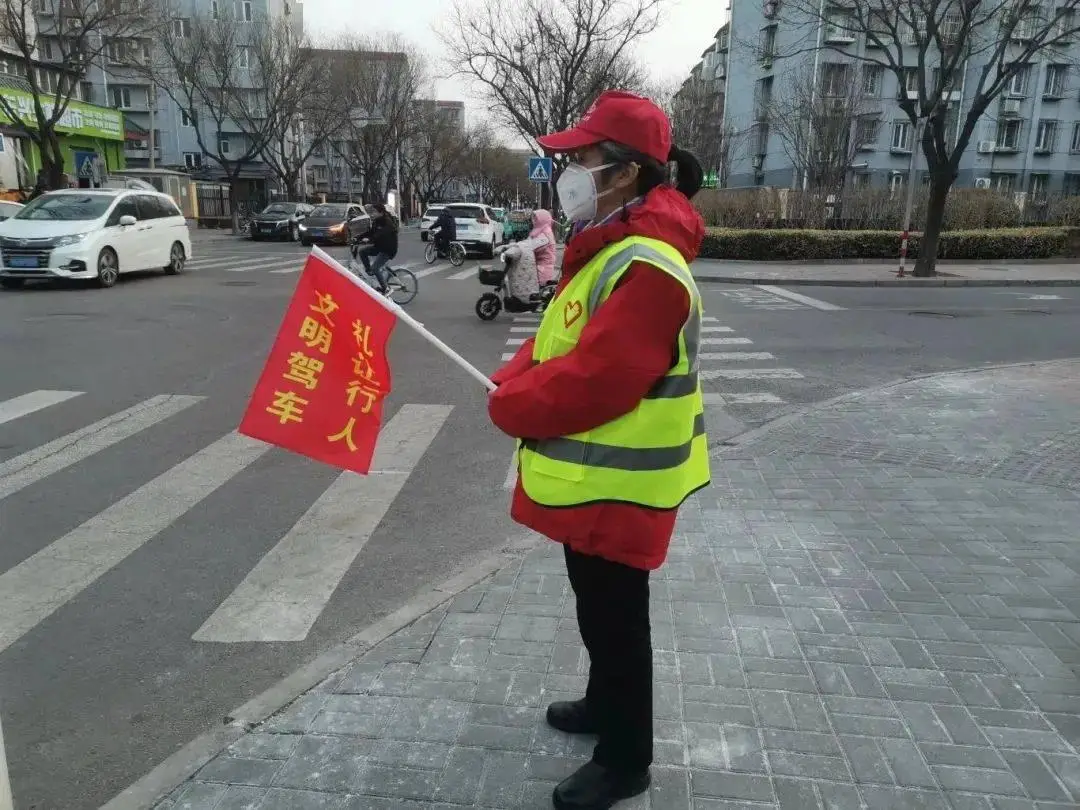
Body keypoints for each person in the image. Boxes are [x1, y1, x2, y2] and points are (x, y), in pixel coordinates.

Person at [486, 90, 709, 810]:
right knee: (596, 609)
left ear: (625, 172)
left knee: (618, 621)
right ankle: (601, 704)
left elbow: (603, 378)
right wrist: (512, 380)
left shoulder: (648, 263)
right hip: (594, 482)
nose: (568, 171)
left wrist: (514, 405)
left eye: (581, 158)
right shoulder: (610, 246)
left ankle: (626, 757)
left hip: (624, 486)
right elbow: (564, 342)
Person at [354, 203, 397, 294]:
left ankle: (386, 289)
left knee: (375, 268)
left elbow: (381, 234)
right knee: (362, 252)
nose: (372, 214)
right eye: (371, 212)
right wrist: (358, 237)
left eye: (374, 212)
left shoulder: (387, 222)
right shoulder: (376, 221)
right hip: (379, 246)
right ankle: (369, 271)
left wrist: (370, 239)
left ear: (381, 213)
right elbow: (371, 232)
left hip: (388, 249)